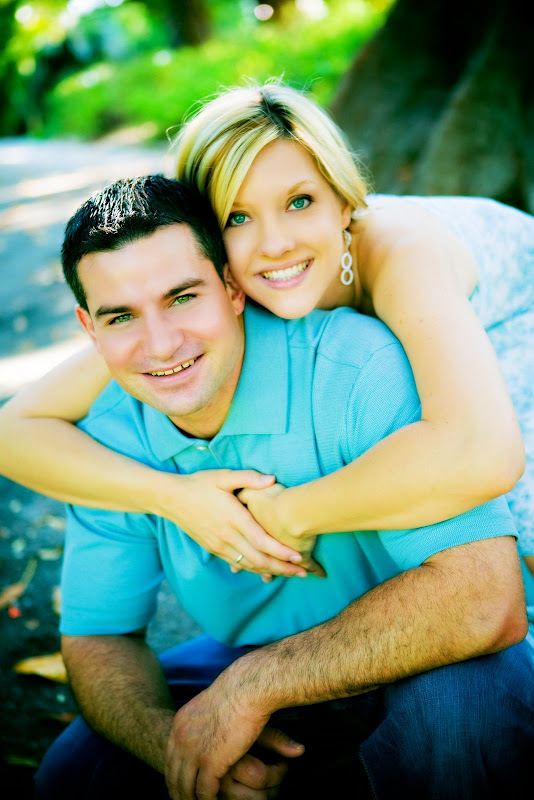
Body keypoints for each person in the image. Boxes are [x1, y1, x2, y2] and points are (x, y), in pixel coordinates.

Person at [33, 175, 533, 800]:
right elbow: (99, 635)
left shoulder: (359, 364)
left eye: (182, 298)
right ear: (89, 327)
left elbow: (485, 598)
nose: (161, 345)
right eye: (121, 316)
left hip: (431, 650)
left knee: (461, 715)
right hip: (263, 658)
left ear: (232, 288)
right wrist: (173, 744)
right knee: (76, 772)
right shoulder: (105, 437)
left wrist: (255, 686)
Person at [0, 82, 533, 583]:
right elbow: (15, 434)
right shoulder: (213, 294)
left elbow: (484, 453)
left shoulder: (404, 255)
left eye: (299, 202)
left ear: (344, 202)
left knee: (514, 542)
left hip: (515, 322)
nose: (275, 244)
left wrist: (291, 514)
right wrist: (173, 496)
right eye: (237, 217)